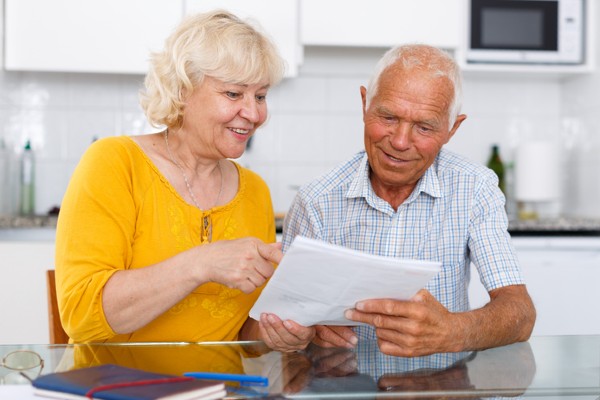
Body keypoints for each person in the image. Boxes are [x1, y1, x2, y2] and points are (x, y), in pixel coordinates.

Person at [256, 44, 536, 356]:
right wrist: (300, 330)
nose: (401, 142)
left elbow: (520, 313)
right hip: (342, 385)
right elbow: (287, 321)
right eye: (388, 117)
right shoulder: (315, 201)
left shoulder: (474, 188)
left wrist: (453, 331)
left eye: (424, 127)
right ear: (365, 104)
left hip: (442, 387)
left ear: (452, 128)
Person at [55, 10, 286, 343]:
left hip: (217, 391)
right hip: (119, 388)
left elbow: (241, 333)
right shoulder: (114, 162)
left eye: (260, 96)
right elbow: (81, 315)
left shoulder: (255, 192)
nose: (253, 114)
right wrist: (201, 263)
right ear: (182, 91)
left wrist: (278, 332)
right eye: (234, 94)